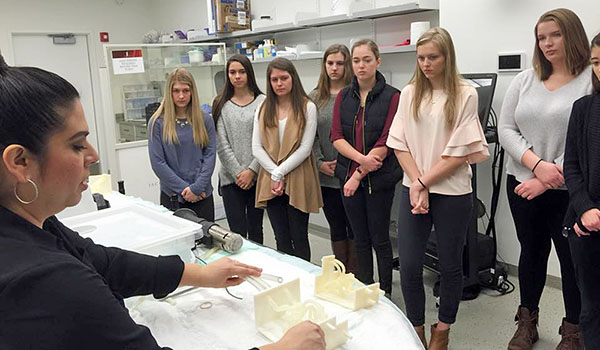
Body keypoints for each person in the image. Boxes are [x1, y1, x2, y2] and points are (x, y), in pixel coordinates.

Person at [0, 55, 326, 350]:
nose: (94, 155)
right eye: (76, 145)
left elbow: (100, 261)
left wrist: (198, 274)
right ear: (20, 161)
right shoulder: (44, 279)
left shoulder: (36, 226)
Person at [387, 27, 489, 350]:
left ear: (447, 57)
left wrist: (422, 183)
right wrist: (416, 183)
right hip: (413, 187)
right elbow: (399, 144)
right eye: (421, 58)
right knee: (411, 264)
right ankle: (415, 327)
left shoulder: (465, 94)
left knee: (449, 265)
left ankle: (442, 329)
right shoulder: (409, 93)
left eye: (433, 57)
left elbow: (459, 153)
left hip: (452, 192)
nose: (426, 64)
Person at [498, 8, 591, 350]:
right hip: (522, 184)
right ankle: (527, 322)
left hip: (571, 189)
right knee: (532, 253)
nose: (547, 43)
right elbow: (507, 128)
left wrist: (551, 176)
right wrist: (536, 165)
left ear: (572, 35)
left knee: (571, 259)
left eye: (555, 35)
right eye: (541, 37)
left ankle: (573, 331)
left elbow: (589, 138)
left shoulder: (589, 81)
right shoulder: (525, 79)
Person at [330, 39, 402, 296]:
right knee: (360, 239)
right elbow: (336, 137)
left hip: (379, 179)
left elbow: (388, 140)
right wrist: (361, 162)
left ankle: (384, 295)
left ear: (377, 62)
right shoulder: (342, 97)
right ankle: (365, 289)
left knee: (381, 240)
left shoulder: (394, 96)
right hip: (348, 177)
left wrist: (359, 174)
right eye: (357, 60)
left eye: (367, 60)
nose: (361, 66)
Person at [252, 58, 322, 262]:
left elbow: (305, 148)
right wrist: (275, 173)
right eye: (274, 79)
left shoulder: (307, 107)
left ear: (293, 78)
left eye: (284, 78)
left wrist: (278, 172)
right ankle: (288, 284)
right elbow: (256, 147)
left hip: (298, 175)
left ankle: (305, 283)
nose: (279, 83)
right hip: (270, 178)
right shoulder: (263, 108)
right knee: (281, 238)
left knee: (299, 237)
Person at [563, 32, 600, 349]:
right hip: (587, 225)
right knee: (591, 308)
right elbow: (572, 166)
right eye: (597, 62)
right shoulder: (584, 108)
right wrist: (585, 208)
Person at [309, 44, 357, 273]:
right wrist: (319, 162)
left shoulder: (355, 94)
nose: (334, 68)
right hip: (327, 175)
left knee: (355, 227)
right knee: (337, 226)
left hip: (352, 173)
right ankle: (341, 273)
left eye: (340, 63)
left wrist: (350, 162)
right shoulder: (315, 98)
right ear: (324, 65)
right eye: (330, 63)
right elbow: (311, 135)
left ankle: (356, 275)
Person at [148, 68, 217, 221]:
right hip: (172, 197)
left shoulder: (205, 120)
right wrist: (185, 190)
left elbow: (210, 155)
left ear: (192, 91)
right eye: (176, 91)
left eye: (186, 90)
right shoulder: (157, 123)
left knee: (207, 243)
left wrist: (197, 188)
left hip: (202, 195)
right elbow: (158, 163)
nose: (181, 96)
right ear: (169, 92)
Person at [213, 54, 265, 244]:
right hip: (230, 179)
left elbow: (267, 142)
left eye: (241, 72)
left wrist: (251, 171)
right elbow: (221, 143)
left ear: (249, 73)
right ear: (227, 76)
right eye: (232, 72)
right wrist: (238, 173)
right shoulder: (221, 104)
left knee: (256, 229)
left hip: (257, 177)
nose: (237, 76)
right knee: (237, 232)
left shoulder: (263, 102)